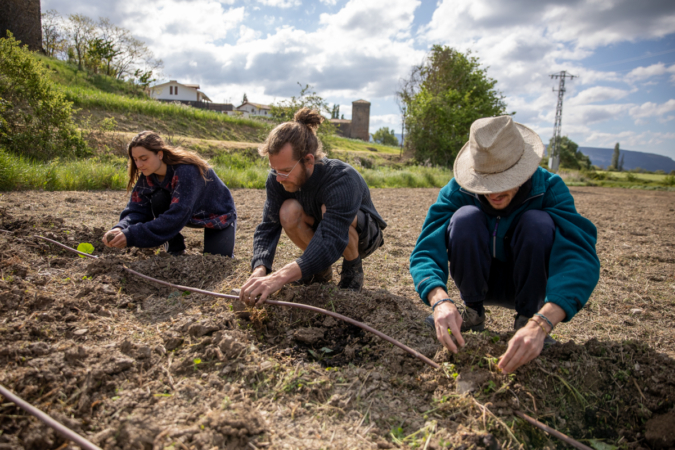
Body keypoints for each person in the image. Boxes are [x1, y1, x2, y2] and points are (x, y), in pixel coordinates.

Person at [409, 115, 600, 373]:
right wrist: (440, 300)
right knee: (465, 218)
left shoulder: (549, 189)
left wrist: (542, 322)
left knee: (537, 223)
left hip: (528, 283)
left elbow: (579, 259)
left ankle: (525, 321)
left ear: (524, 169)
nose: (494, 194)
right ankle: (472, 314)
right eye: (487, 184)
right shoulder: (458, 191)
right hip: (478, 279)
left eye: (504, 181)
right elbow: (425, 250)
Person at [240, 108, 386, 305]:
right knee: (287, 210)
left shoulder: (341, 178)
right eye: (274, 170)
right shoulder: (277, 178)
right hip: (321, 229)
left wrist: (279, 277)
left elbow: (332, 238)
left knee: (329, 211)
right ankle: (319, 270)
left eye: (285, 170)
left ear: (308, 160)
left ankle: (353, 269)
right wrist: (260, 268)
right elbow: (268, 226)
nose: (279, 178)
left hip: (361, 236)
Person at [103, 131, 237, 257]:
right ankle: (174, 247)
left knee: (216, 261)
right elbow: (137, 209)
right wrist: (121, 228)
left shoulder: (186, 171)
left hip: (216, 215)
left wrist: (132, 235)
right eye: (135, 159)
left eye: (144, 158)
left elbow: (177, 215)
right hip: (185, 214)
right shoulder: (148, 173)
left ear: (160, 154)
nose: (139, 164)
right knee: (158, 198)